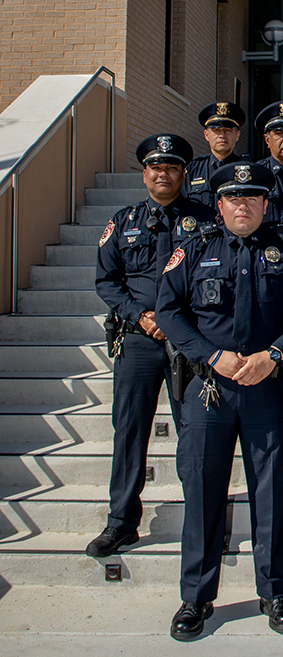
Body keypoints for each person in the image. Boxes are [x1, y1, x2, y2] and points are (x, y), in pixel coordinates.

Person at [156, 161, 283, 641]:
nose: (243, 204)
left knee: (270, 495)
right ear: (220, 203)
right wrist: (211, 357)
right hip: (209, 391)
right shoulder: (194, 249)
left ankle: (274, 593)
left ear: (266, 204)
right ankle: (196, 597)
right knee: (204, 492)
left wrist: (275, 354)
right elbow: (168, 310)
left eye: (253, 197)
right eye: (234, 196)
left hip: (267, 389)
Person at [86, 134, 212, 558]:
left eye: (172, 167)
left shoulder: (207, 221)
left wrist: (178, 322)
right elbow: (108, 280)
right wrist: (140, 315)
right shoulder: (123, 222)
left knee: (195, 434)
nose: (164, 174)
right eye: (156, 167)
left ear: (183, 174)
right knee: (130, 431)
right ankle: (121, 522)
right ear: (144, 174)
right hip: (138, 340)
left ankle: (202, 521)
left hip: (188, 343)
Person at [184, 101, 246, 209]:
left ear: (237, 135)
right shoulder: (192, 170)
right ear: (206, 135)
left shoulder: (246, 170)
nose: (222, 135)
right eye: (216, 130)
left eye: (228, 130)